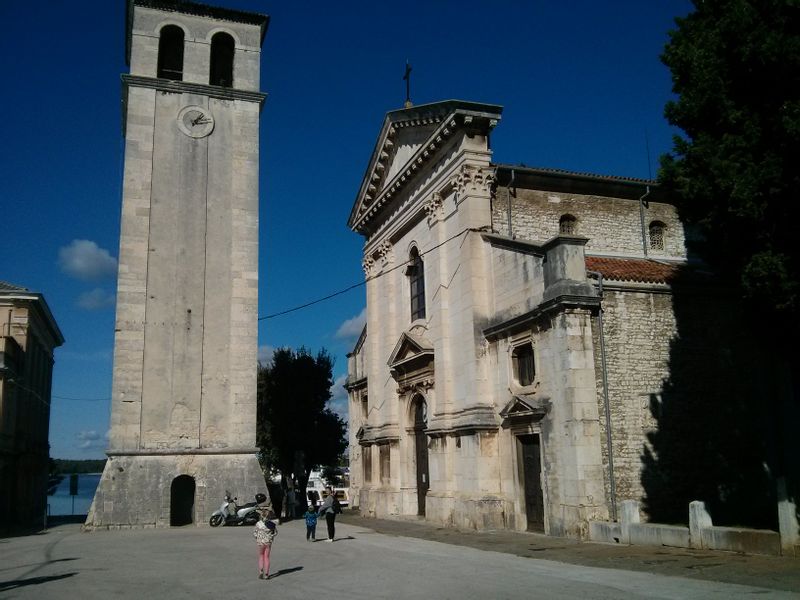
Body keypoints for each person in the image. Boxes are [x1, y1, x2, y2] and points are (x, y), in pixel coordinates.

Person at [253, 512, 277, 580]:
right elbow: (275, 533)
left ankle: (261, 572)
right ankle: (266, 574)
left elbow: (254, 533)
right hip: (268, 543)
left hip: (260, 543)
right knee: (267, 557)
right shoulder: (272, 524)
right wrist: (270, 537)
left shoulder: (258, 524)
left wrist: (258, 538)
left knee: (261, 556)